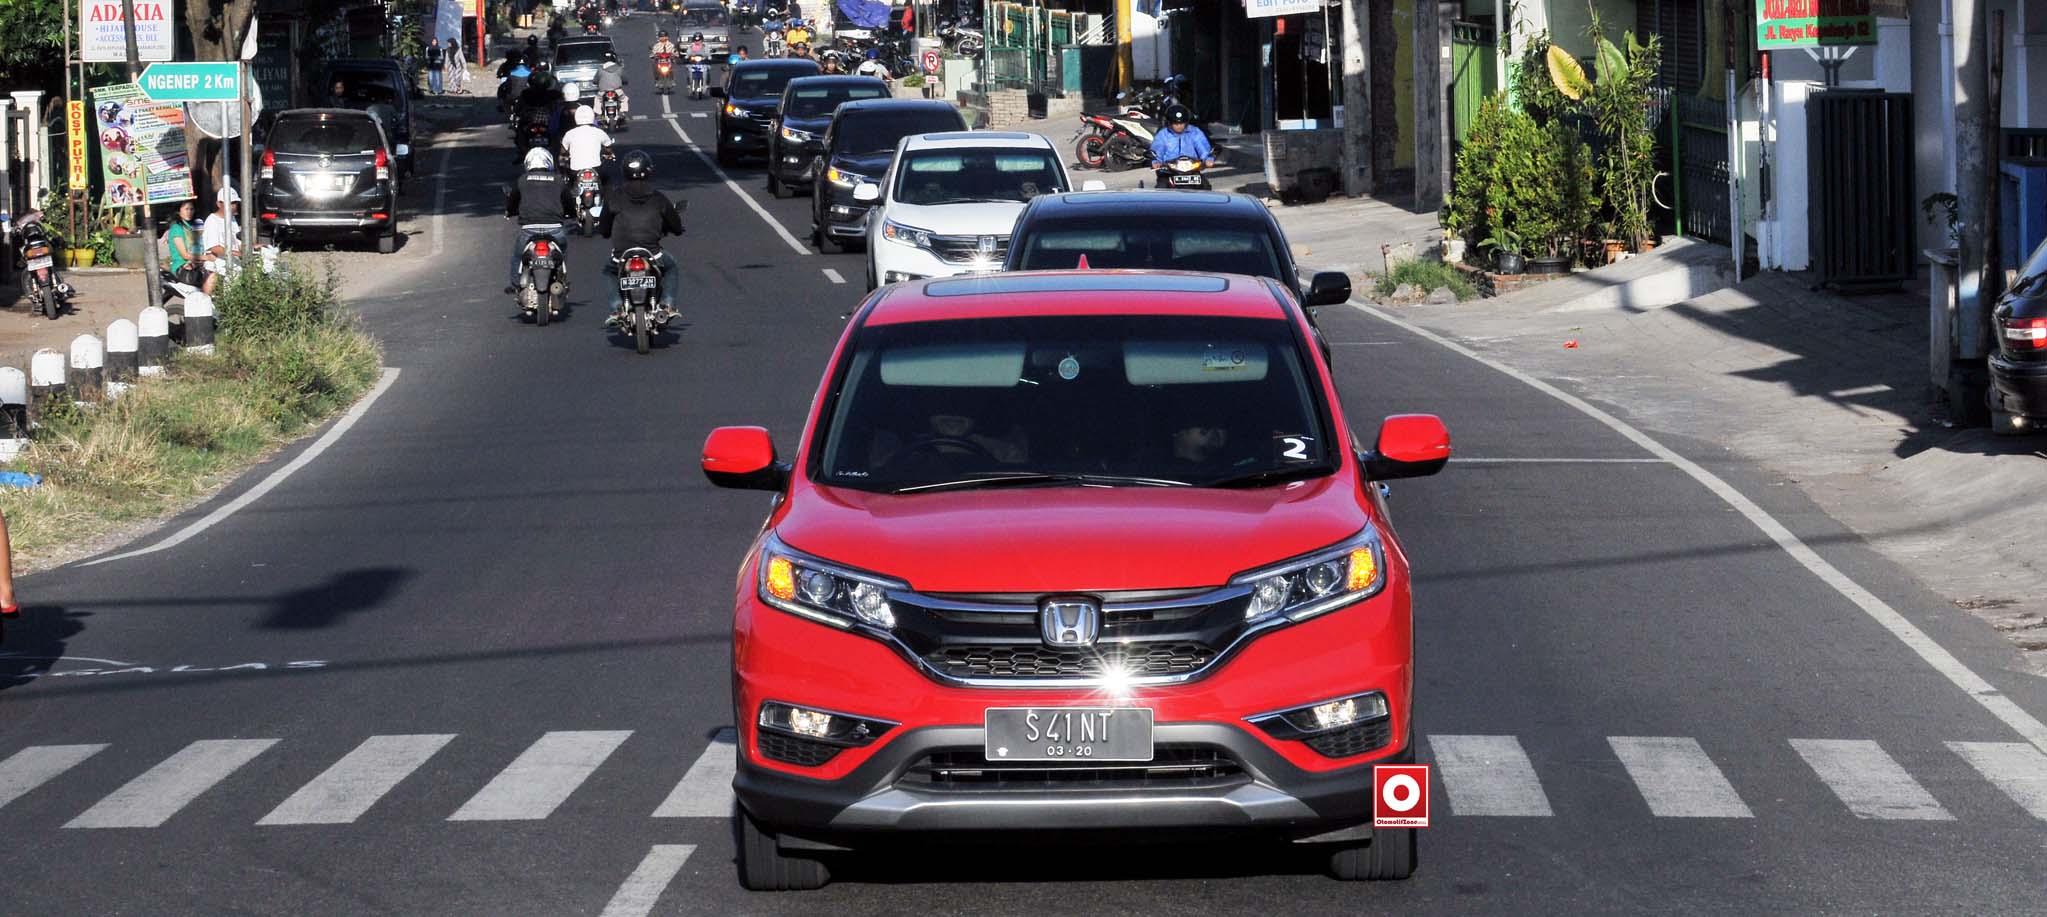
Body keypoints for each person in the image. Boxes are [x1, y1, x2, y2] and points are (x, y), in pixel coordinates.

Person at [598, 150, 684, 318]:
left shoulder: (614, 197)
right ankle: (668, 305)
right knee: (671, 267)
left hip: (621, 254)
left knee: (608, 272)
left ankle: (617, 308)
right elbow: (676, 225)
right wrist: (676, 229)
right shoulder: (658, 198)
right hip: (652, 252)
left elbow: (603, 228)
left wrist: (606, 232)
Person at [504, 148, 576, 294]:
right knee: (562, 252)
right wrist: (572, 214)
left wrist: (509, 211)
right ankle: (562, 280)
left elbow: (513, 200)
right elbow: (569, 201)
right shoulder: (558, 180)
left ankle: (515, 284)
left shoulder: (522, 180)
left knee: (518, 256)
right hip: (554, 228)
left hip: (529, 229)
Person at [560, 104, 615, 198]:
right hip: (596, 168)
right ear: (592, 117)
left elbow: (563, 152)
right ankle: (608, 202)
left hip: (575, 170)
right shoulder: (599, 132)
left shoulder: (569, 134)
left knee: (568, 185)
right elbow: (608, 147)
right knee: (607, 182)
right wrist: (608, 153)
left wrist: (565, 157)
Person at [1149, 104, 1215, 172]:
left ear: (1186, 122)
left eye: (1181, 123)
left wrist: (1208, 159)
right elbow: (1157, 150)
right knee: (1162, 178)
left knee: (1204, 179)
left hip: (1192, 169)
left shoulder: (1194, 132)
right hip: (1168, 171)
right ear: (1169, 123)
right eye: (1175, 123)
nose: (1179, 126)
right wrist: (1156, 162)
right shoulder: (1163, 135)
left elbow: (1202, 147)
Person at [164, 200, 204, 289]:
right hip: (182, 266)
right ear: (179, 211)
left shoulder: (193, 227)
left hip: (196, 264)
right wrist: (206, 258)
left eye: (191, 209)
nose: (189, 212)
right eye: (186, 209)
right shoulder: (177, 228)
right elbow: (184, 255)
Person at [594, 51, 627, 117]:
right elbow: (624, 79)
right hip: (617, 90)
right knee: (624, 99)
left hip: (603, 91)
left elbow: (595, 80)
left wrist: (596, 82)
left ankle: (598, 114)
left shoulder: (600, 69)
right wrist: (625, 82)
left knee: (597, 100)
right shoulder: (619, 68)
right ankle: (623, 112)